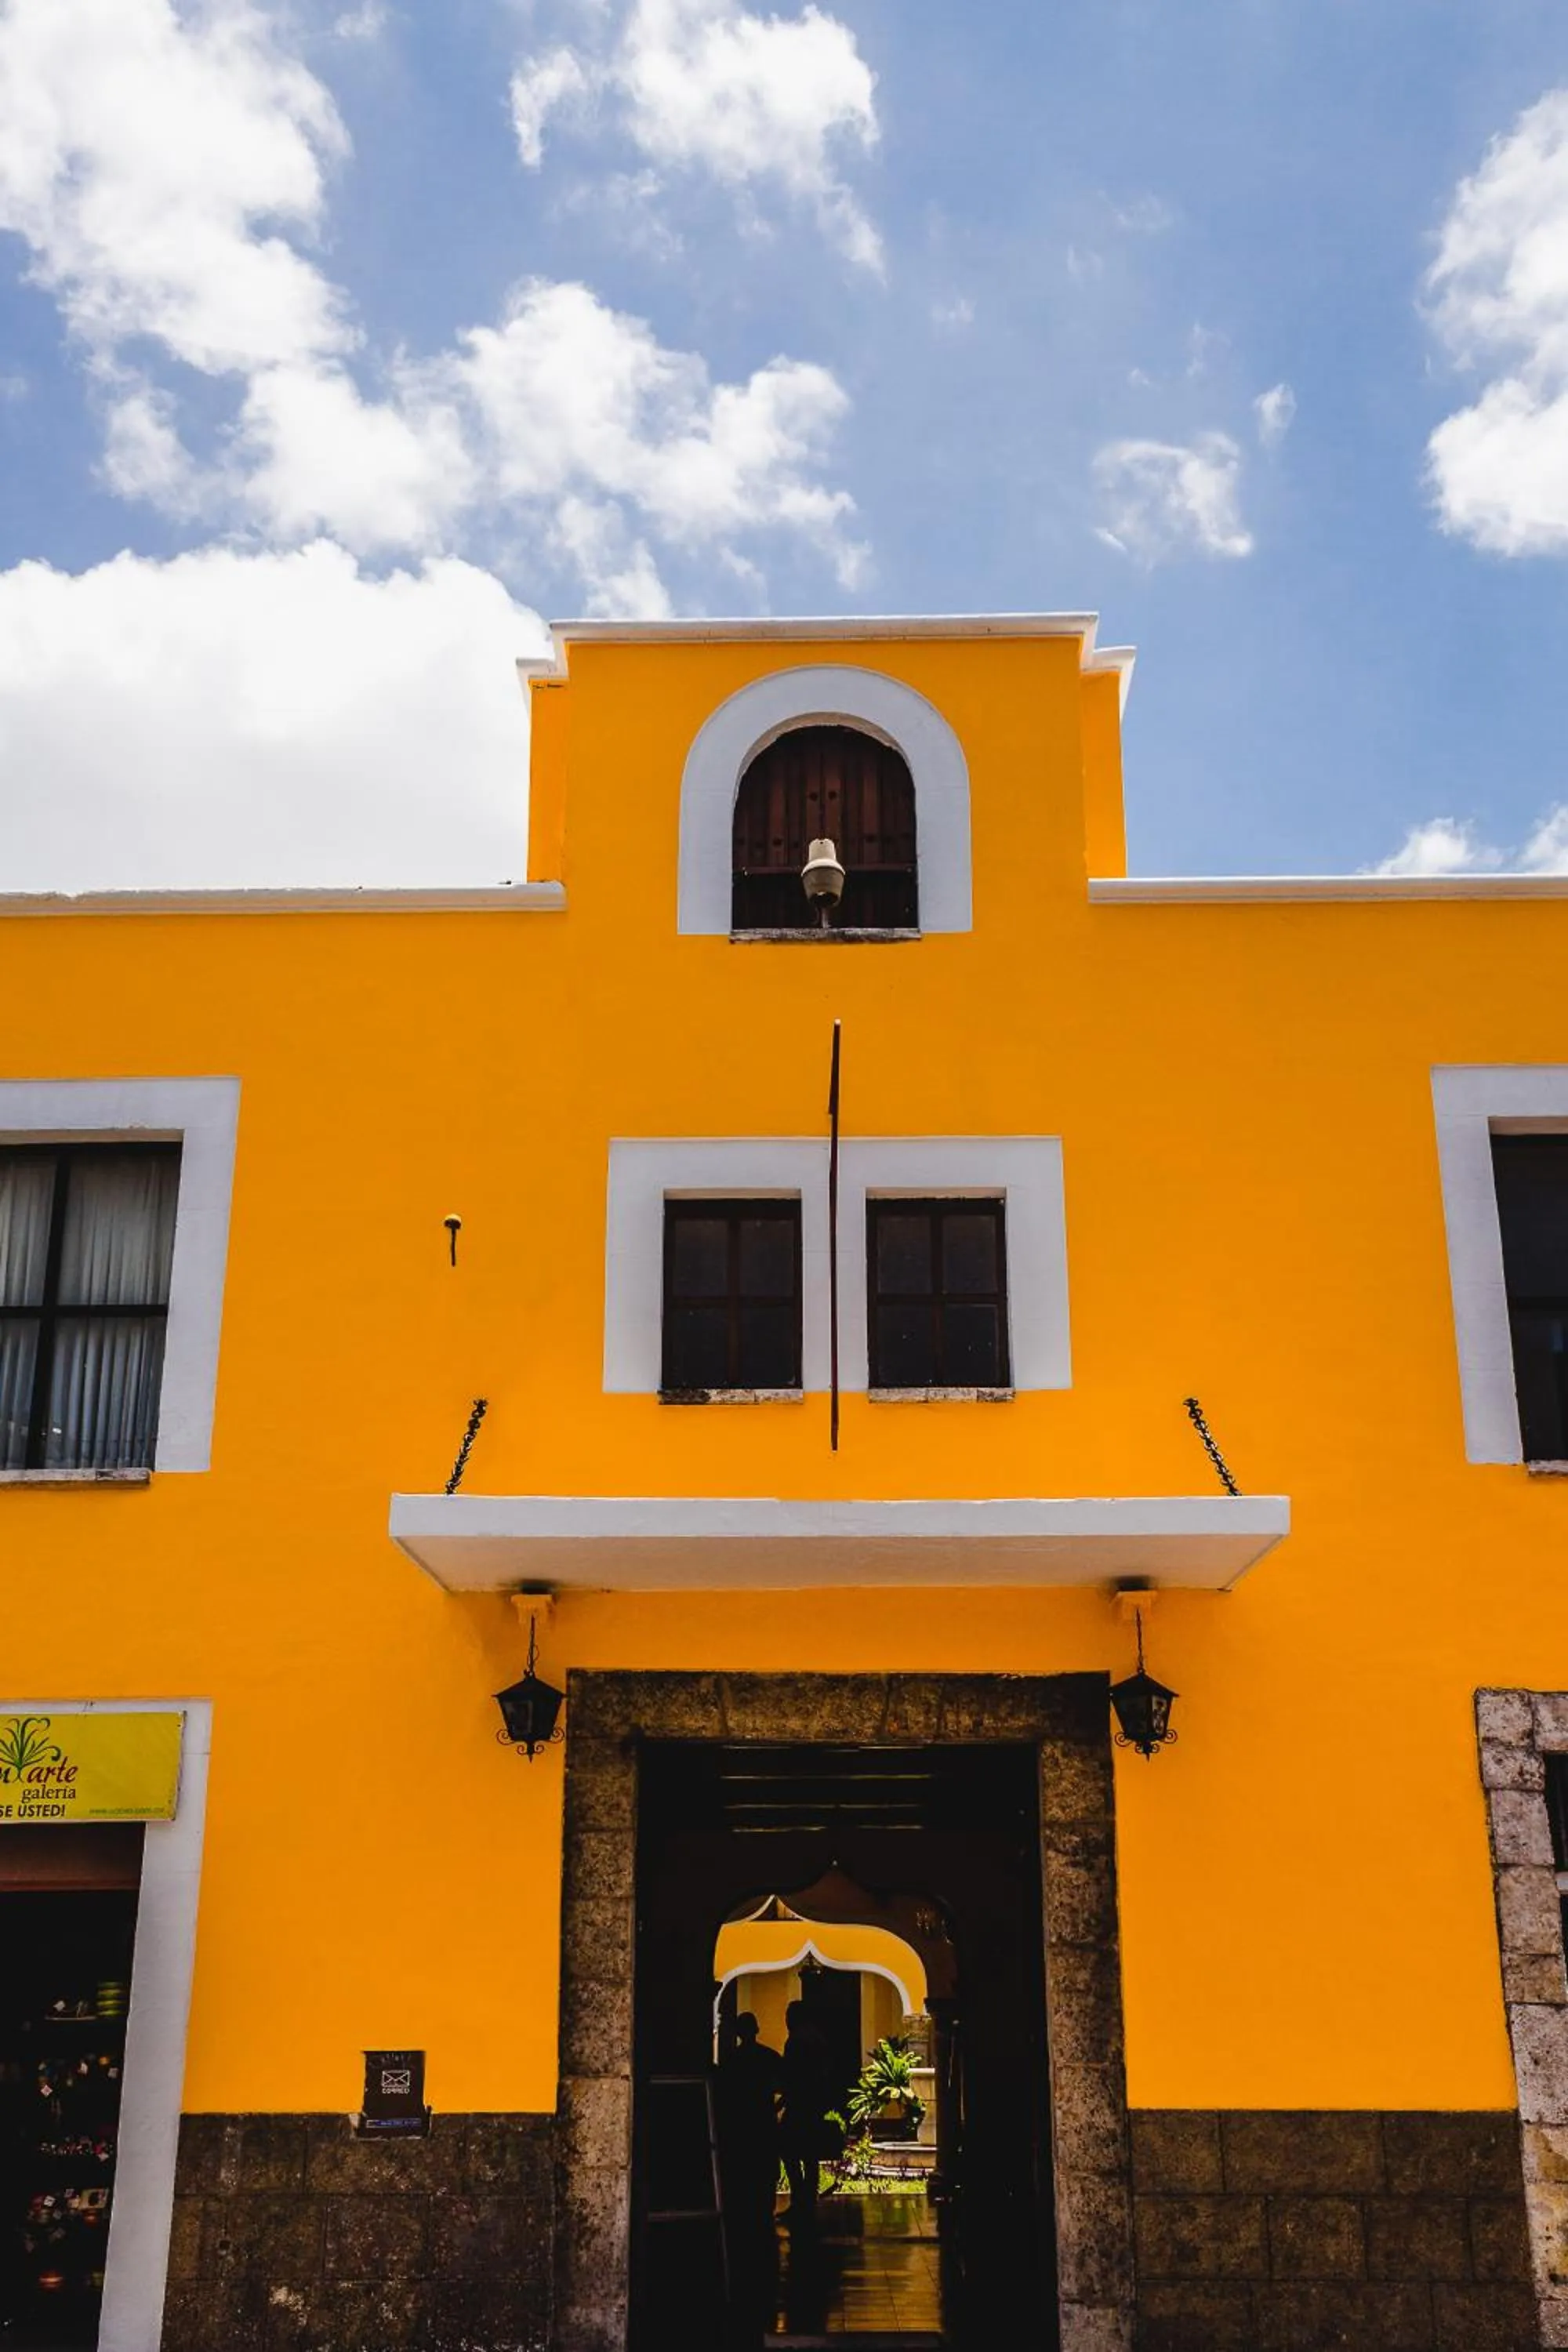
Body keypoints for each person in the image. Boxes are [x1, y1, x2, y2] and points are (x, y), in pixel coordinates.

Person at [779, 1998, 834, 2221]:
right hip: (814, 2104)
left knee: (789, 2152)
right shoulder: (818, 2039)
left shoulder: (797, 2041)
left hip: (800, 2104)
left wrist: (782, 2102)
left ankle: (800, 2199)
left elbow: (793, 2076)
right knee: (810, 2156)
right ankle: (807, 2200)